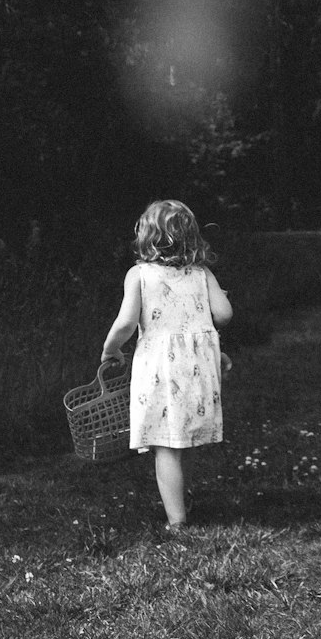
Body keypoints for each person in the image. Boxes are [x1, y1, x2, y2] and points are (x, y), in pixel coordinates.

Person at [100, 199, 232, 534]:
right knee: (182, 439)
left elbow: (126, 323)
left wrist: (110, 348)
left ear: (146, 236)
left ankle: (177, 521)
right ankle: (181, 501)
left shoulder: (140, 275)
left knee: (165, 447)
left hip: (161, 368)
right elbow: (224, 314)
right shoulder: (202, 274)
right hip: (198, 367)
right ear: (191, 238)